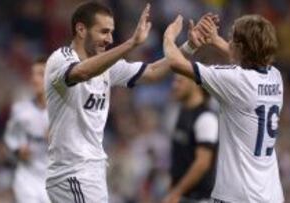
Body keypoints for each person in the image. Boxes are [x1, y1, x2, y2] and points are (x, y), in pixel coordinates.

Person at [44, 1, 214, 202]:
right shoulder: (61, 59)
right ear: (81, 29)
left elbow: (153, 72)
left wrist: (189, 46)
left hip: (92, 171)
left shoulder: (106, 67)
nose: (109, 39)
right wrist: (131, 43)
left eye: (112, 32)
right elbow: (82, 72)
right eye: (104, 32)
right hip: (72, 171)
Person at [163, 14, 284, 203]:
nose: (229, 42)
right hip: (271, 194)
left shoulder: (235, 80)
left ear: (241, 47)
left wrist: (169, 37)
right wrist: (215, 40)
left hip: (238, 195)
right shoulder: (275, 76)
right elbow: (250, 59)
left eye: (231, 39)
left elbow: (175, 63)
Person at [163, 74, 218, 203]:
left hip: (200, 198)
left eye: (179, 81)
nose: (174, 86)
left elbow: (202, 163)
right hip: (182, 196)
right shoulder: (181, 113)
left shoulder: (206, 118)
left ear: (194, 84)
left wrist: (176, 193)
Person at [4, 57, 50, 203]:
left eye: (40, 74)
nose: (35, 79)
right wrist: (18, 150)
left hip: (54, 180)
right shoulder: (21, 110)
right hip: (27, 178)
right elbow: (10, 138)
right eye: (33, 74)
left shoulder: (63, 112)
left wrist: (59, 140)